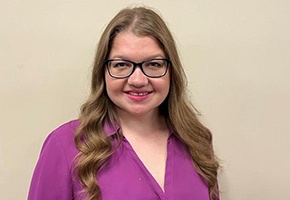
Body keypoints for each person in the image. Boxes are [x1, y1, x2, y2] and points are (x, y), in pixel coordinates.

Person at [28, 6, 220, 200]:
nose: (138, 80)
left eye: (153, 64)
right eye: (121, 65)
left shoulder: (197, 141)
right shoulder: (65, 146)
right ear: (102, 71)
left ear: (172, 71)